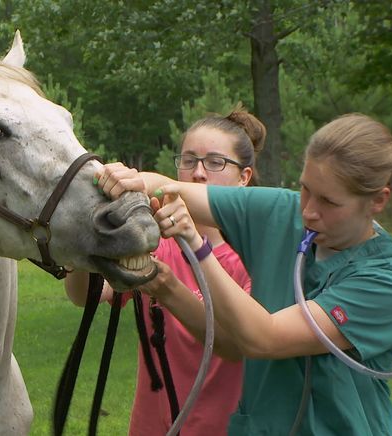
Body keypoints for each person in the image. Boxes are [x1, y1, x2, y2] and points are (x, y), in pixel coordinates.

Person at [94, 113, 392, 435]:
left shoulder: (387, 282)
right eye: (306, 188)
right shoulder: (282, 211)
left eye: (329, 201)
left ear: (378, 201)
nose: (307, 211)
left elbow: (263, 338)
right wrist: (130, 179)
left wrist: (199, 249)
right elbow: (172, 187)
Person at [64, 104, 265, 436]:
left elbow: (234, 345)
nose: (199, 173)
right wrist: (82, 240)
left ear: (244, 177)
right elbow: (84, 295)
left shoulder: (253, 257)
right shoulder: (157, 244)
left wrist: (166, 288)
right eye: (189, 161)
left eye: (215, 163)